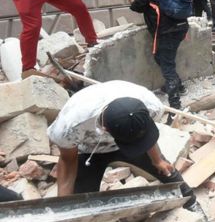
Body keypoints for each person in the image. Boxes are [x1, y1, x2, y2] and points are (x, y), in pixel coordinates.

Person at [48, 81, 199, 210]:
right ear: (105, 130)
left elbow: (146, 134)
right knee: (78, 203)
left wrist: (157, 160)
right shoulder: (70, 126)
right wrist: (64, 204)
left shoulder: (151, 105)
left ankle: (190, 203)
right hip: (90, 151)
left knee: (167, 171)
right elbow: (68, 161)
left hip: (125, 142)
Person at [120, 0, 189, 113]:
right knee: (161, 57)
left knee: (167, 65)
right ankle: (178, 85)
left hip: (164, 30)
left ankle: (175, 106)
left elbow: (138, 7)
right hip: (181, 26)